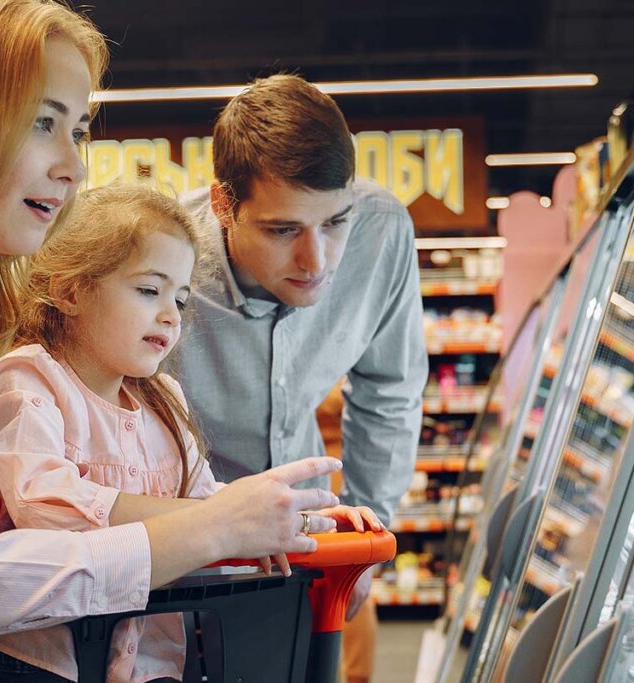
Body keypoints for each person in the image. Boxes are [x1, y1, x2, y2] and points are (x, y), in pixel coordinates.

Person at [0, 0, 340, 651]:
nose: (75, 167)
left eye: (79, 131)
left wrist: (285, 517)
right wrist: (214, 529)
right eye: (44, 122)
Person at [0, 184, 383, 682]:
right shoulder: (28, 378)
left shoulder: (165, 399)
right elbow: (47, 507)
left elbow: (206, 502)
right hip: (31, 659)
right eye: (148, 290)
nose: (170, 316)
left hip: (152, 663)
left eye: (179, 298)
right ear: (70, 290)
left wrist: (308, 518)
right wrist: (221, 519)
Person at [174, 74, 428, 678]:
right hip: (190, 558)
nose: (318, 261)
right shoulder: (166, 259)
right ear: (223, 205)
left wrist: (366, 535)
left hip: (315, 542)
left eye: (335, 222)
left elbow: (389, 391)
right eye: (283, 230)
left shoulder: (382, 230)